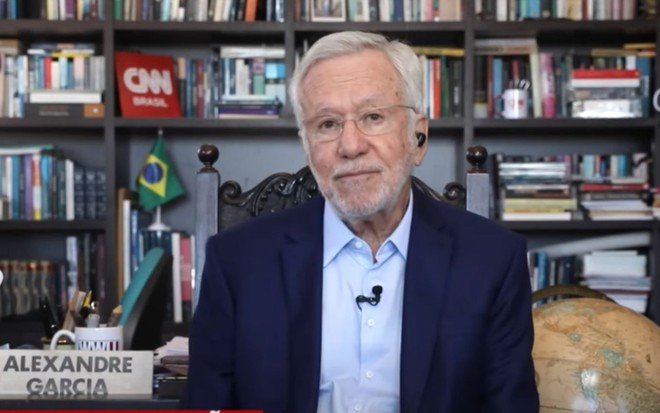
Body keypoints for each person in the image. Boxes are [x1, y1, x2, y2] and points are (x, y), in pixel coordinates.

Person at [182, 31, 539, 412]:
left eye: (373, 117)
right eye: (327, 124)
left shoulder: (493, 260)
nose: (350, 145)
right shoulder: (236, 262)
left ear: (418, 137)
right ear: (306, 144)